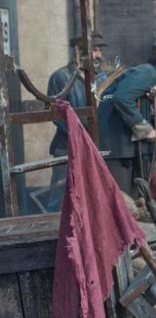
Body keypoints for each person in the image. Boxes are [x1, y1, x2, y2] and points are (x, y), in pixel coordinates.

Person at [98, 43, 156, 195]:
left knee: (134, 199)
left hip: (128, 148)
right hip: (118, 147)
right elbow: (122, 98)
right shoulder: (148, 72)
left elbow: (138, 104)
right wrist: (144, 128)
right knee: (122, 200)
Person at [46, 32, 108, 211]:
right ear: (77, 51)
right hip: (67, 146)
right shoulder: (61, 77)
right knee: (60, 198)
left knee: (92, 197)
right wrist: (79, 134)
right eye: (94, 50)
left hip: (95, 146)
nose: (98, 55)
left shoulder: (101, 78)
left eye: (99, 50)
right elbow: (56, 115)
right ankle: (53, 236)